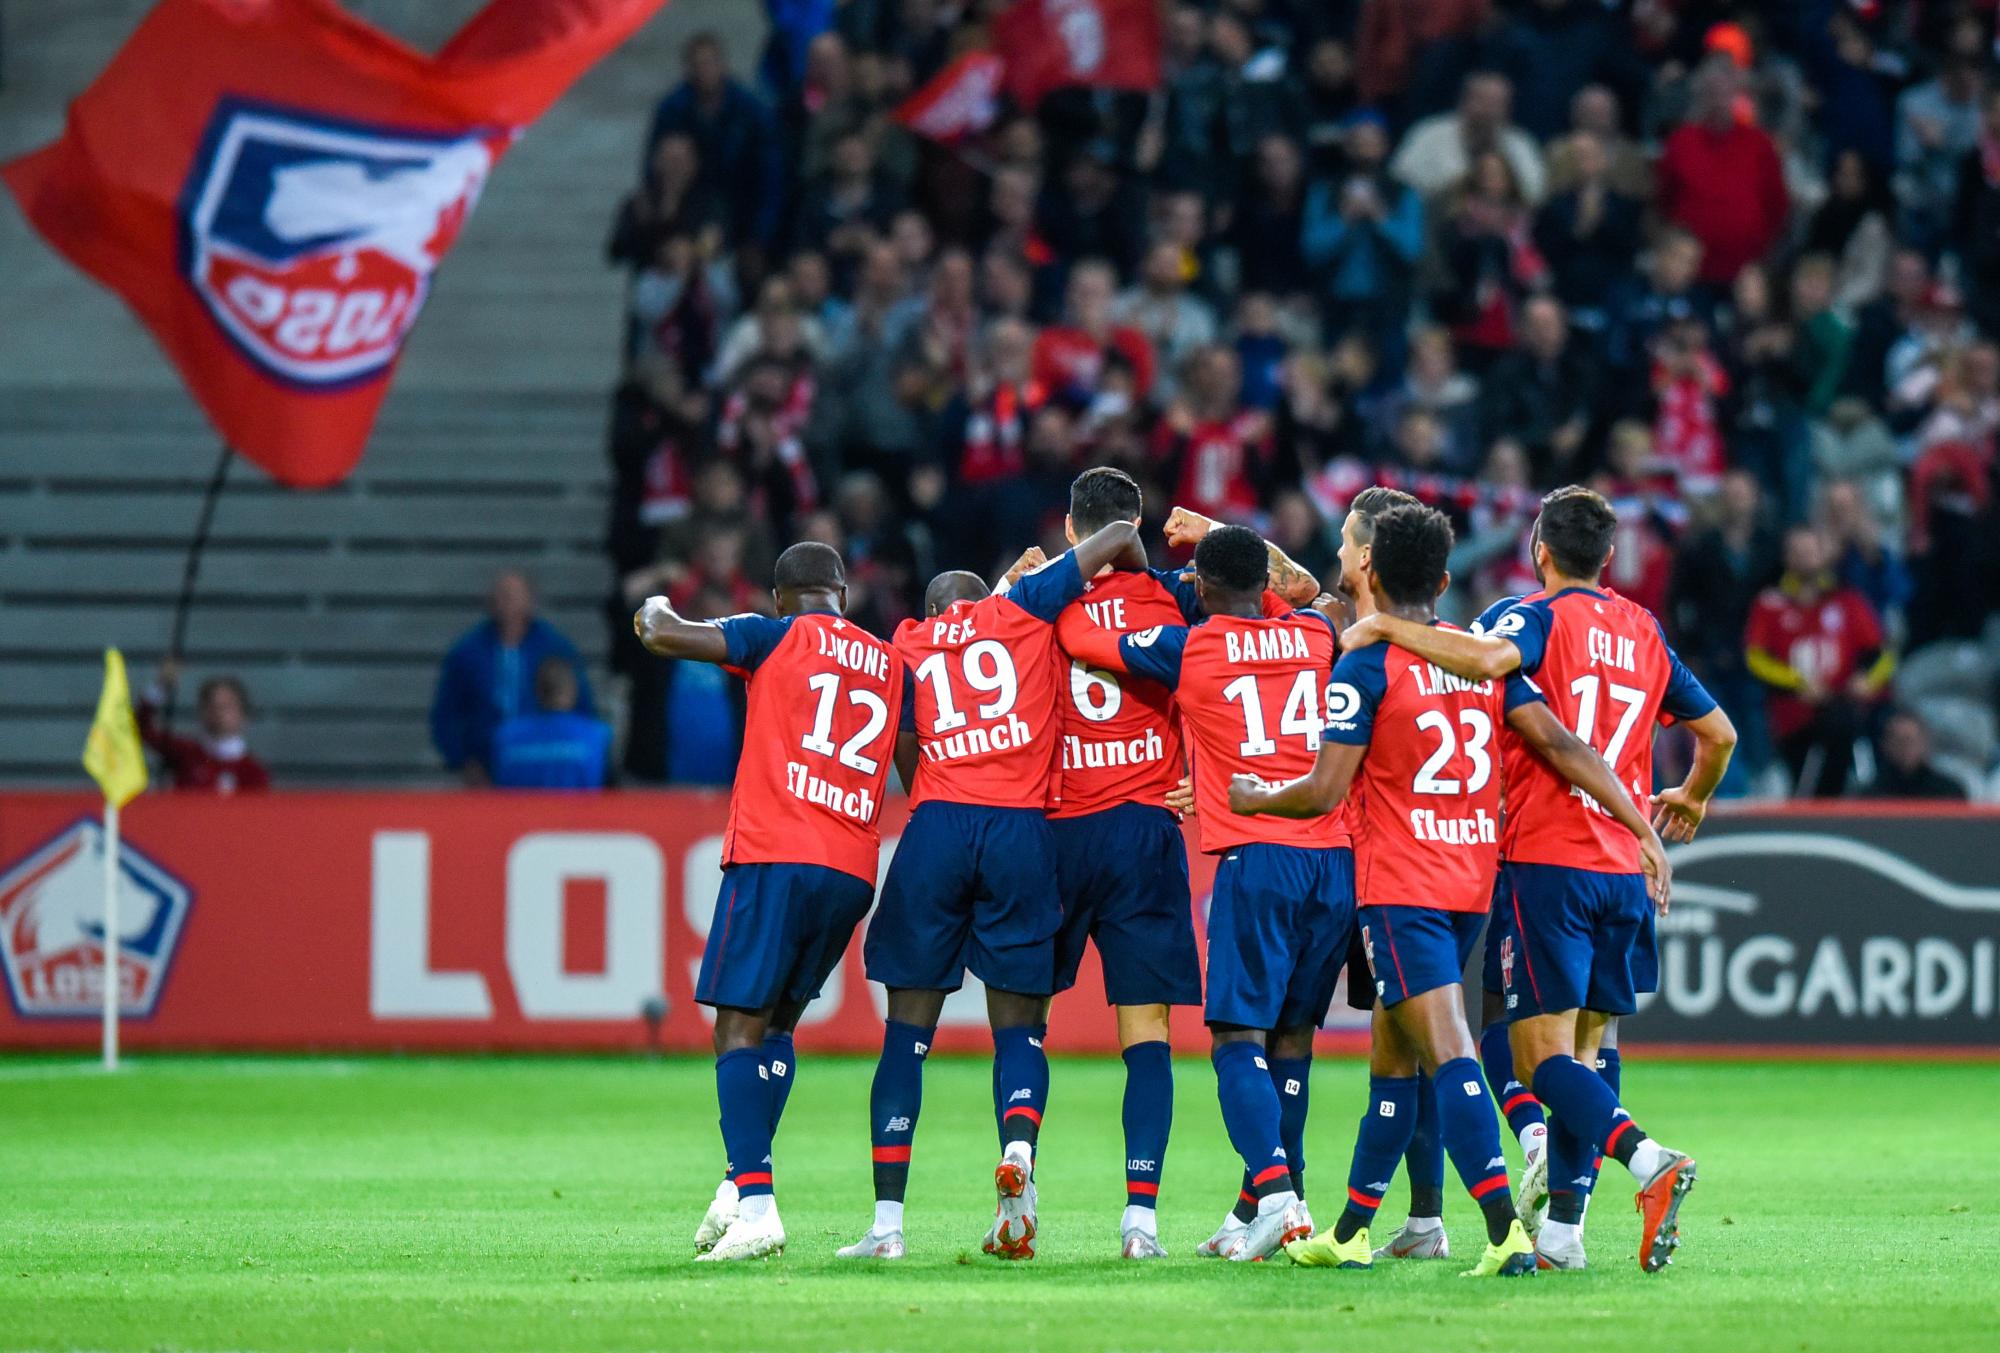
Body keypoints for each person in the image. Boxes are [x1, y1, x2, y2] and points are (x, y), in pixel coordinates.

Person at [1232, 503, 1662, 1277]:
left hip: (1402, 886)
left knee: (1450, 1051)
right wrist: (1639, 823)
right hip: (1471, 883)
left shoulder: (1365, 660)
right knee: (1394, 1060)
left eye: (1345, 547)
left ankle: (1504, 1231)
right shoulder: (1479, 654)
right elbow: (1562, 743)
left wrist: (1257, 796)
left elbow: (1326, 790)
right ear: (1441, 578)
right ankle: (1355, 1226)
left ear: (1366, 568)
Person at [1342, 486, 1736, 1273]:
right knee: (1590, 1052)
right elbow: (1717, 733)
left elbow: (1486, 662)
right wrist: (1690, 797)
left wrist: (1386, 624)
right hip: (1623, 864)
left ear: (1540, 551)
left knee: (1535, 1061)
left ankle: (1649, 1157)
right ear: (1610, 558)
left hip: (1548, 856)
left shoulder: (1529, 617)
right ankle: (1564, 1233)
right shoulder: (1645, 629)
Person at [838, 519, 1149, 1262]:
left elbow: (905, 746)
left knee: (907, 1034)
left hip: (938, 824)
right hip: (1019, 829)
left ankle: (886, 1226)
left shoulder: (909, 639)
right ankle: (1019, 1151)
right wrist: (1124, 550)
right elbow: (1109, 535)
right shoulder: (1023, 611)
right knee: (1020, 1026)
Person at [1040, 471, 1321, 1260]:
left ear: (1073, 528)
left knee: (1026, 1015)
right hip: (1218, 839)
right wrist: (1212, 531)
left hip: (1074, 828)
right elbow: (1293, 587)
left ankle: (1020, 1161)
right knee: (1202, 1034)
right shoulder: (1210, 604)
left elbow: (1070, 644)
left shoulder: (1073, 605)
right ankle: (1178, 1215)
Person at [633, 542, 907, 1263]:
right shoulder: (888, 661)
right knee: (779, 1025)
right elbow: (914, 763)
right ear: (843, 596)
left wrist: (654, 603)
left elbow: (663, 634)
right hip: (851, 868)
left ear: (783, 597)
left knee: (736, 1027)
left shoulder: (773, 632)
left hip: (777, 852)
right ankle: (737, 1181)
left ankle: (756, 1203)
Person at [1746, 525, 1895, 798]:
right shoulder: (1770, 604)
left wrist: (1866, 681)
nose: (1805, 558)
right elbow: (1756, 659)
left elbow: (1882, 655)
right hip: (1794, 717)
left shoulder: (1847, 601)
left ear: (1823, 555)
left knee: (1848, 722)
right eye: (1798, 552)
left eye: (1811, 551)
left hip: (1845, 709)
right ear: (1787, 558)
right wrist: (1798, 683)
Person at [429, 571, 595, 785]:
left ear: (530, 599)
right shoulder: (467, 652)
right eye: (502, 594)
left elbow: (581, 706)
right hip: (481, 769)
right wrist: (462, 761)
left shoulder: (555, 648)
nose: (508, 602)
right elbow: (446, 712)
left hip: (543, 767)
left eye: (514, 594)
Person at [136, 660, 269, 794]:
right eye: (212, 705)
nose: (219, 711)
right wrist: (161, 687)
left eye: (227, 706)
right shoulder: (184, 753)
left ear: (243, 713)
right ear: (202, 711)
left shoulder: (253, 772)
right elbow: (141, 729)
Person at [487, 658, 614, 790]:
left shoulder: (505, 736)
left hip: (518, 811)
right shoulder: (597, 735)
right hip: (580, 810)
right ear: (572, 690)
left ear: (537, 691)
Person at [1865, 711, 1968, 800]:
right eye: (1899, 741)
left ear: (1925, 743)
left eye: (1910, 741)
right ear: (1886, 746)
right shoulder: (1871, 795)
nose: (1905, 748)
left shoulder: (1949, 792)